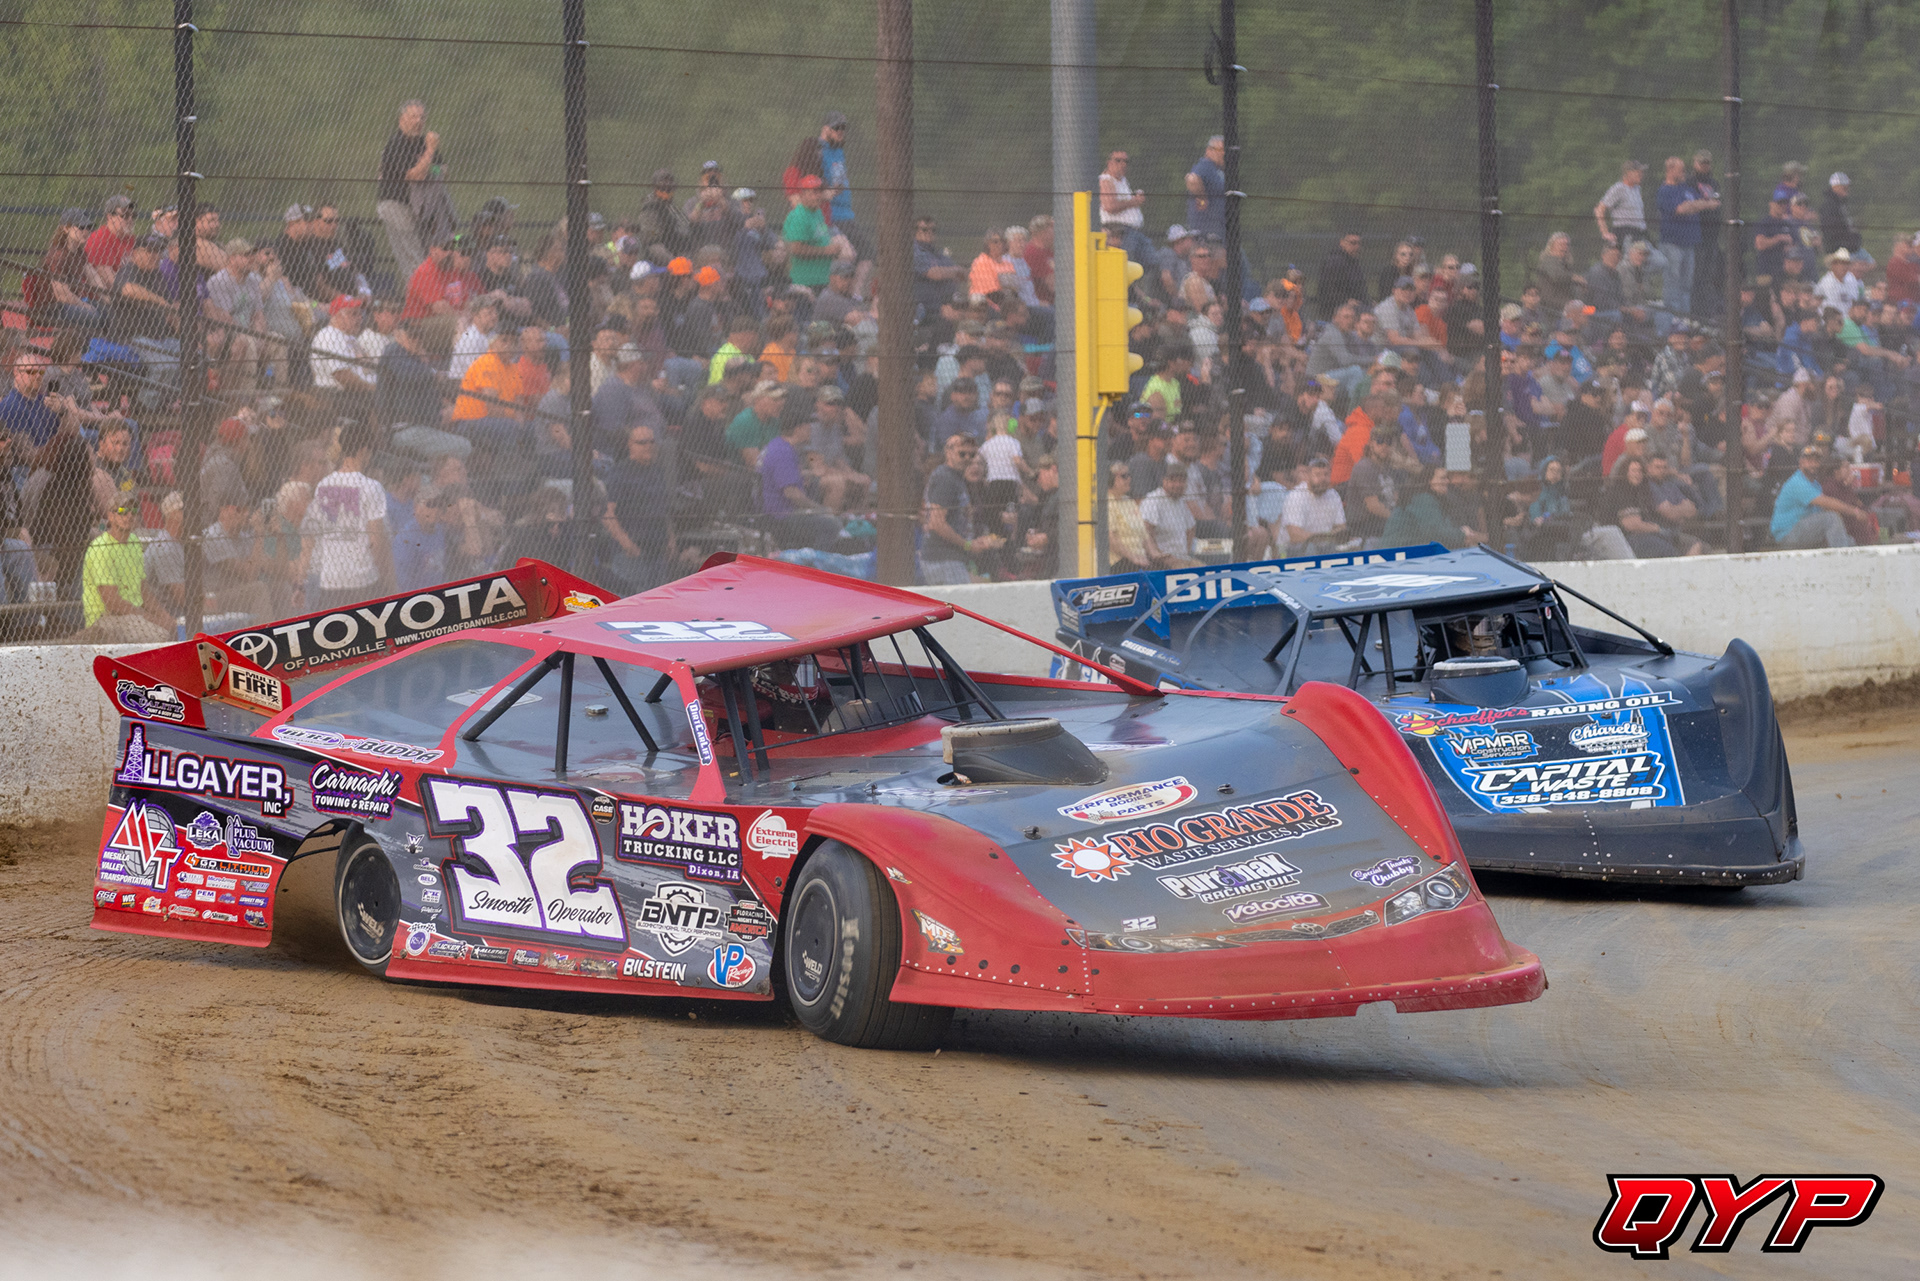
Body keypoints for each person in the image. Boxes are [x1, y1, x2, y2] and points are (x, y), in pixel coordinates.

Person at [302, 420, 392, 609]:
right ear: (364, 451)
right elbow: (377, 541)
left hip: (330, 581)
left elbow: (312, 538)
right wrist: (390, 583)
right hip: (363, 580)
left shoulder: (323, 485)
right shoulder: (372, 487)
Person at [79, 497, 172, 642]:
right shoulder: (101, 547)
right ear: (110, 516)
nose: (129, 516)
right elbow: (112, 601)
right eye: (122, 511)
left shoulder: (134, 541)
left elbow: (143, 589)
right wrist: (148, 618)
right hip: (106, 618)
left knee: (173, 627)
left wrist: (164, 616)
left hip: (133, 616)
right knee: (159, 635)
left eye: (133, 511)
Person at [602, 425, 676, 591]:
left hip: (658, 548)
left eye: (651, 441)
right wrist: (625, 542)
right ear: (630, 444)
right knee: (632, 597)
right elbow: (607, 512)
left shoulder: (657, 471)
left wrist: (670, 537)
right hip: (633, 550)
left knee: (658, 598)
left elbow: (663, 508)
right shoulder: (620, 473)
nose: (648, 446)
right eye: (642, 442)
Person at [920, 433, 997, 583]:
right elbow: (937, 523)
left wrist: (973, 541)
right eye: (962, 454)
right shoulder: (945, 478)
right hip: (943, 558)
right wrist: (968, 545)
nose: (968, 458)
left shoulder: (956, 477)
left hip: (950, 557)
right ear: (949, 452)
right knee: (960, 604)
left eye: (972, 454)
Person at [377, 99, 438, 285]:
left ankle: (421, 294)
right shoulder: (397, 144)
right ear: (401, 120)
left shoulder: (422, 143)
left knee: (422, 256)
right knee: (414, 258)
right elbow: (414, 176)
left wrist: (429, 166)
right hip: (396, 204)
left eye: (422, 117)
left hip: (418, 207)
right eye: (413, 117)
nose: (418, 121)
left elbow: (441, 169)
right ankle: (421, 298)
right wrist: (430, 153)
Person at [1600, 456, 1702, 557]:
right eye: (1634, 471)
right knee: (1666, 549)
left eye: (1640, 471)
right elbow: (1632, 525)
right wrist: (1657, 528)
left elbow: (1692, 510)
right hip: (1627, 539)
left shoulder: (1644, 491)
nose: (1637, 474)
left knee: (1696, 545)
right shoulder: (1621, 491)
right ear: (1625, 472)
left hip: (1652, 534)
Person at [1771, 443, 1865, 548]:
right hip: (1788, 533)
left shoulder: (1815, 484)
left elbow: (1825, 509)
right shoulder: (1798, 482)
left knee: (1849, 540)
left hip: (1802, 528)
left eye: (1816, 461)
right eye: (1809, 460)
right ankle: (1841, 560)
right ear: (1801, 462)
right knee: (1831, 519)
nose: (1813, 464)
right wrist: (1854, 511)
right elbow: (1826, 502)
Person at [26, 209, 105, 331]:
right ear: (66, 228)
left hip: (71, 304)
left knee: (109, 312)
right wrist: (84, 306)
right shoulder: (58, 255)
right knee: (95, 317)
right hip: (53, 308)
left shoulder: (79, 252)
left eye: (89, 227)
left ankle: (111, 348)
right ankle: (87, 349)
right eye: (81, 226)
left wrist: (108, 299)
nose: (86, 231)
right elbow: (62, 295)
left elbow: (93, 277)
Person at [1280, 456, 1347, 554]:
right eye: (1318, 475)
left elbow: (1341, 527)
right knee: (1310, 549)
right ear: (1308, 476)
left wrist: (1327, 538)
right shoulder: (1296, 496)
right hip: (1295, 548)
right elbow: (1295, 535)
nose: (1323, 479)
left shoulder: (1333, 494)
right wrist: (1327, 537)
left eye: (1326, 474)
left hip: (1325, 545)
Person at [1097, 149, 1151, 263]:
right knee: (1127, 263)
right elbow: (1110, 206)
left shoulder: (1123, 180)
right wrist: (1134, 201)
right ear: (1109, 163)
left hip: (1135, 230)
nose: (1123, 164)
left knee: (1151, 262)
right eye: (1118, 160)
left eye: (1126, 161)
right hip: (1120, 231)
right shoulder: (1106, 180)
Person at [1138, 467, 1199, 568]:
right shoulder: (1153, 500)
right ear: (1164, 481)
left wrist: (1186, 552)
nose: (1178, 485)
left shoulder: (1181, 501)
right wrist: (1157, 554)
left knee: (1205, 569)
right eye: (1173, 481)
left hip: (1183, 558)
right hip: (1163, 560)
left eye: (1181, 481)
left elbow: (1191, 528)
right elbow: (1145, 529)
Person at [1104, 462, 1152, 572]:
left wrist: (1156, 555)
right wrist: (1133, 557)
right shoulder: (1107, 502)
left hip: (1139, 558)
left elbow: (1144, 535)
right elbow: (1110, 539)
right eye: (1124, 476)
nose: (1129, 479)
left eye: (1129, 475)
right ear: (1111, 479)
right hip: (1118, 561)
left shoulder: (1129, 501)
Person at [1594, 160, 1649, 246]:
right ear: (1629, 173)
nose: (1641, 174)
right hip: (1625, 233)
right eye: (1638, 172)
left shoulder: (1637, 189)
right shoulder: (1618, 188)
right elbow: (1599, 209)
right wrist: (1605, 233)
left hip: (1640, 233)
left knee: (1659, 259)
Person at [1316, 231, 1368, 320]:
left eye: (1358, 243)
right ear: (1342, 242)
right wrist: (1346, 301)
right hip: (1335, 311)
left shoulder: (1354, 263)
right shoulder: (1334, 262)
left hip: (1357, 306)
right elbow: (1327, 290)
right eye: (1352, 243)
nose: (1356, 247)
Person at [1185, 135, 1228, 241]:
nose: (1223, 153)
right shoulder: (1205, 165)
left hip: (1220, 228)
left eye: (1225, 150)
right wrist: (1202, 198)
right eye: (1220, 150)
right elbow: (1191, 179)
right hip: (1207, 230)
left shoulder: (1218, 169)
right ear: (1209, 150)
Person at [1820, 172, 1861, 256]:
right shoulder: (1829, 206)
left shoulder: (1841, 204)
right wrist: (1850, 242)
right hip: (1838, 252)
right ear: (1835, 186)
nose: (1847, 188)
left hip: (1848, 249)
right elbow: (1832, 234)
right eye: (1844, 185)